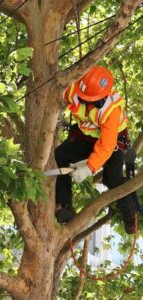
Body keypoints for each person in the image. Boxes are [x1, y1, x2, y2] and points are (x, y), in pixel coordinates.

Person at [55, 65, 136, 234]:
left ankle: (130, 215)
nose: (84, 100)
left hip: (113, 141)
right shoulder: (75, 90)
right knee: (60, 156)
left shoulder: (111, 111)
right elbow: (58, 93)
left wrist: (89, 168)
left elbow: (106, 146)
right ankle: (66, 206)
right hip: (87, 137)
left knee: (113, 178)